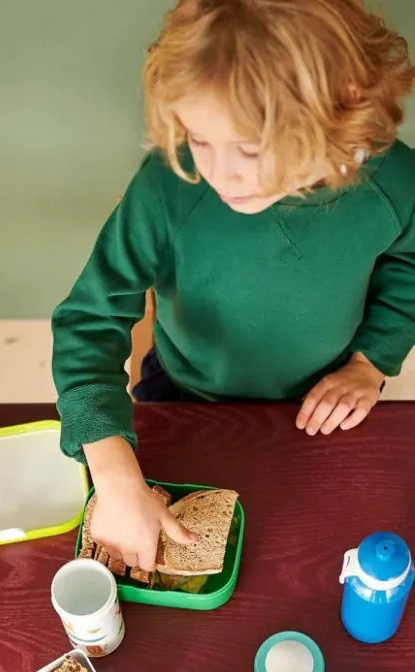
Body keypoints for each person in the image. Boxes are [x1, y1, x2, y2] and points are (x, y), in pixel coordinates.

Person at [52, 0, 415, 573]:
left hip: (328, 396)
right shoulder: (168, 184)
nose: (219, 174)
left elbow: (410, 268)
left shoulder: (394, 183)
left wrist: (372, 362)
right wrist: (114, 474)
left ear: (342, 107)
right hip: (184, 388)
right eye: (199, 138)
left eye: (250, 149)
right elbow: (89, 319)